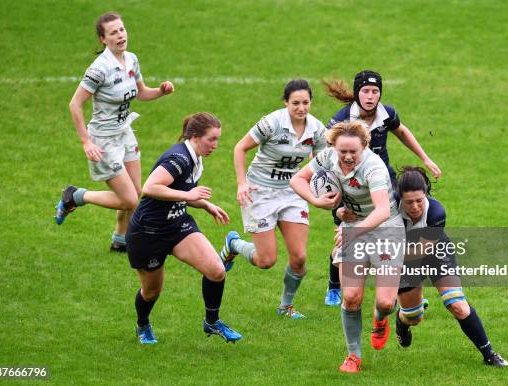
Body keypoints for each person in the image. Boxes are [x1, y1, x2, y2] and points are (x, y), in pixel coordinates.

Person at [290, 120, 405, 373]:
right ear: (334, 147)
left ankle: (381, 318)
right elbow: (298, 179)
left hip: (386, 228)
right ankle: (353, 356)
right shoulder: (328, 157)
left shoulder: (373, 167)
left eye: (354, 151)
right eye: (343, 151)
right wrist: (316, 201)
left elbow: (383, 210)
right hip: (353, 225)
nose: (348, 156)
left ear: (365, 145)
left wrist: (353, 233)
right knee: (351, 297)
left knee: (385, 303)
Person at [55, 12, 174, 253]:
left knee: (135, 191)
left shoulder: (131, 59)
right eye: (113, 33)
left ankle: (120, 241)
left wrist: (161, 91)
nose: (120, 35)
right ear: (103, 39)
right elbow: (74, 104)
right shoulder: (100, 69)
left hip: (125, 133)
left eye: (122, 29)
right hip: (104, 141)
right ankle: (76, 196)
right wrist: (86, 142)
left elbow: (141, 93)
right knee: (129, 199)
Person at [321, 70, 441, 306]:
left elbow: (402, 131)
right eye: (365, 91)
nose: (370, 96)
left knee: (396, 228)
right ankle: (334, 286)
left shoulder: (387, 114)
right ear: (357, 93)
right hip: (351, 185)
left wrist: (425, 159)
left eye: (375, 91)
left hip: (383, 182)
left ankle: (405, 290)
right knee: (346, 234)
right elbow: (325, 153)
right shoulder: (343, 119)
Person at [126, 112, 241, 344]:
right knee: (151, 292)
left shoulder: (195, 158)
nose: (215, 145)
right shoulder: (178, 159)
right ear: (196, 137)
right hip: (148, 233)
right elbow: (149, 188)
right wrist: (188, 195)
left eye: (218, 139)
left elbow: (183, 194)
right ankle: (143, 325)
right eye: (212, 139)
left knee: (216, 270)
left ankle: (212, 322)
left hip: (177, 225)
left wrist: (206, 205)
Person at [219, 79, 327, 319]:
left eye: (306, 103)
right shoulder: (272, 123)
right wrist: (241, 183)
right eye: (295, 103)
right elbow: (239, 148)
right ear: (286, 102)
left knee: (299, 258)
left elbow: (322, 165)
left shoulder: (318, 130)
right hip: (261, 191)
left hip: (292, 192)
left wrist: (325, 189)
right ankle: (234, 244)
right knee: (266, 260)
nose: (301, 108)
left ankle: (285, 306)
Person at [394, 166, 508, 367]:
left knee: (457, 304)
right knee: (414, 316)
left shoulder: (436, 212)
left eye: (419, 200)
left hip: (435, 251)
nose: (414, 207)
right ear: (399, 198)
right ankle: (402, 321)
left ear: (426, 195)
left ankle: (489, 354)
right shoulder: (388, 207)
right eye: (409, 202)